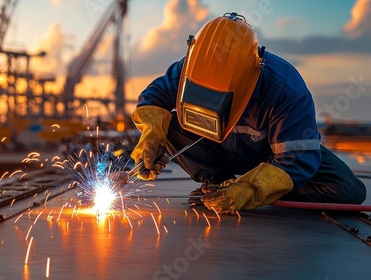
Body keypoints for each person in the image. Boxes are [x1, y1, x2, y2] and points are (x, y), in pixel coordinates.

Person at [129, 12, 366, 214]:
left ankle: (258, 190)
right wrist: (152, 137)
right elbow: (153, 99)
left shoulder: (287, 91)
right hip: (221, 149)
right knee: (165, 123)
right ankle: (217, 184)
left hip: (274, 155)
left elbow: (298, 160)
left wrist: (251, 190)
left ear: (250, 77)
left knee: (347, 190)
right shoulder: (189, 67)